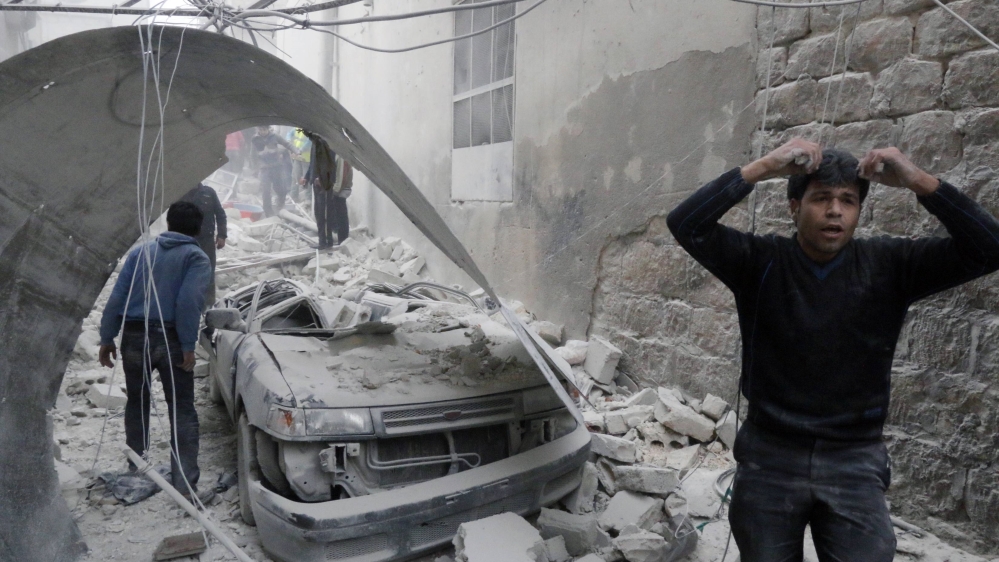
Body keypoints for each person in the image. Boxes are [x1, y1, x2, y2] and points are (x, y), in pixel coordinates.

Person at [666, 138, 999, 562]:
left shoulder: (890, 265)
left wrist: (918, 181)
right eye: (821, 198)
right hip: (771, 456)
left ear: (859, 211)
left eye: (847, 201)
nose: (835, 211)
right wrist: (764, 167)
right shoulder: (759, 261)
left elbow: (989, 248)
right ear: (794, 206)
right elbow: (686, 224)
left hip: (854, 459)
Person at [97, 201, 215, 503]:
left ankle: (137, 467)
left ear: (168, 223)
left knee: (137, 402)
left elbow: (118, 296)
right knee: (182, 410)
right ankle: (185, 485)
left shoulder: (140, 252)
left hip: (134, 338)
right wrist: (188, 345)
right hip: (171, 339)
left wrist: (107, 336)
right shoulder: (196, 257)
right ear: (198, 228)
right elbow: (188, 303)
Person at [180, 182, 227, 308]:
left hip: (206, 241)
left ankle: (208, 306)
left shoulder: (209, 193)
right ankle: (186, 304)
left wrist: (222, 235)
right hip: (186, 240)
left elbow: (220, 214)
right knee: (185, 271)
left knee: (209, 272)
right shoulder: (181, 193)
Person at [303, 131, 352, 249]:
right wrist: (307, 177)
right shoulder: (316, 143)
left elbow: (329, 164)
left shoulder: (326, 142)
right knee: (319, 213)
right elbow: (313, 163)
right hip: (317, 183)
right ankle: (322, 240)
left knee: (324, 214)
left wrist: (322, 178)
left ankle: (326, 242)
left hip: (324, 184)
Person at [250, 125, 299, 217]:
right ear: (258, 130)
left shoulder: (275, 136)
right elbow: (252, 154)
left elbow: (287, 144)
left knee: (280, 188)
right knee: (266, 190)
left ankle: (280, 204)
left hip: (277, 166)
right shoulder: (255, 139)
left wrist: (296, 151)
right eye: (260, 129)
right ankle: (268, 212)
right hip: (264, 167)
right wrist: (254, 168)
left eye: (264, 129)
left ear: (268, 129)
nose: (262, 131)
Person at [286, 128, 312, 202]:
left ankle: (308, 199)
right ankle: (293, 197)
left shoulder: (309, 129)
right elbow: (289, 133)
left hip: (306, 158)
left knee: (307, 179)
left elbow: (310, 141)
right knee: (295, 176)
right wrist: (288, 140)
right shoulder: (298, 128)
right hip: (297, 157)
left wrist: (300, 150)